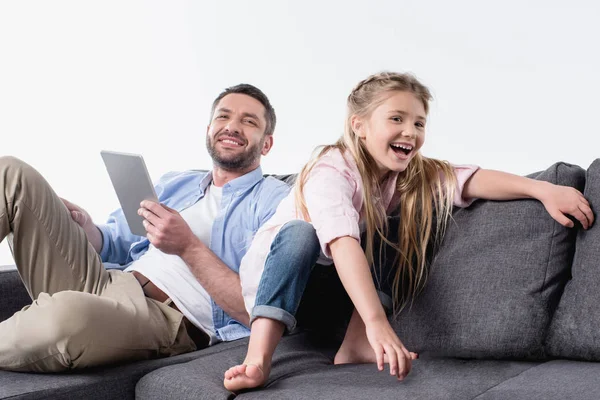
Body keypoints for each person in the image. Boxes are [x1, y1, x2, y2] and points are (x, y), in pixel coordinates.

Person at [223, 71, 595, 391]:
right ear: (359, 125)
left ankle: (354, 346)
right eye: (396, 119)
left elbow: (468, 179)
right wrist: (378, 324)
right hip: (280, 288)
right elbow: (342, 243)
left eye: (418, 123)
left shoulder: (404, 179)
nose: (410, 132)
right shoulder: (331, 169)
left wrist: (542, 189)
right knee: (301, 234)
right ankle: (258, 358)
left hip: (328, 292)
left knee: (398, 221)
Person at [0, 83, 321, 372]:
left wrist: (188, 246)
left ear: (266, 144)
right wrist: (87, 229)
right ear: (210, 130)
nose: (232, 126)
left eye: (249, 121)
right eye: (224, 117)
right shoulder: (176, 183)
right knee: (11, 173)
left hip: (165, 317)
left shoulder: (275, 201)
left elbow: (255, 308)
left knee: (66, 315)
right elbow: (115, 243)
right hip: (106, 279)